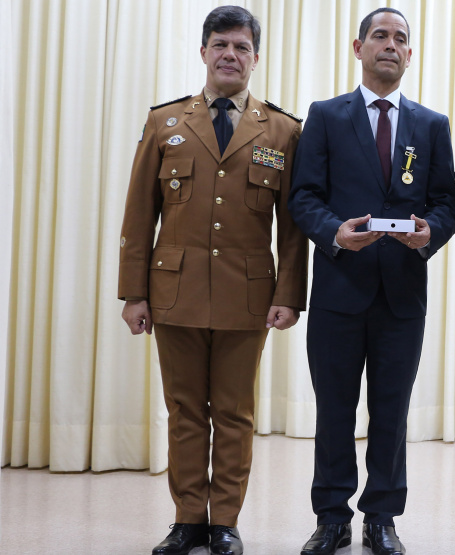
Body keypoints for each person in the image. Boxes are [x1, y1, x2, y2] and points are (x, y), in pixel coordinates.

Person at [118, 6, 308, 555]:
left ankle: (224, 520)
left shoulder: (282, 130)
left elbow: (291, 229)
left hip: (248, 295)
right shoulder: (166, 122)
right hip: (172, 291)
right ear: (203, 52)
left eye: (242, 47)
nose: (231, 55)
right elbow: (139, 214)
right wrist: (135, 293)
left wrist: (289, 295)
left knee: (233, 413)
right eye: (221, 44)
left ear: (255, 57)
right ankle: (186, 520)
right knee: (183, 411)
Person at [288, 7, 455, 555]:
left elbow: (446, 205)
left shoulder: (431, 124)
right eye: (380, 36)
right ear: (357, 47)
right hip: (340, 288)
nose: (391, 44)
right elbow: (304, 197)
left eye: (401, 39)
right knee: (334, 409)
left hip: (402, 293)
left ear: (411, 55)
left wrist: (427, 232)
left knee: (392, 409)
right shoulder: (325, 116)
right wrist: (334, 233)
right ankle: (331, 516)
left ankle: (382, 515)